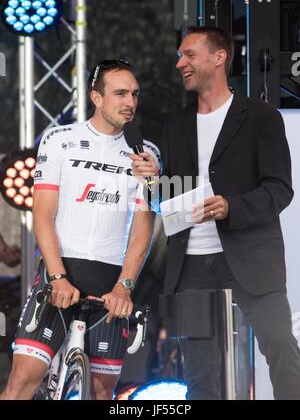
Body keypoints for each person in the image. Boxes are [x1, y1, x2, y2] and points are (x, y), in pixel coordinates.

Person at [131, 26, 300, 400]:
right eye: (179, 56)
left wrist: (230, 206)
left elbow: (280, 189)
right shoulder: (175, 125)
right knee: (200, 373)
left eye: (189, 54)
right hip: (190, 262)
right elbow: (171, 198)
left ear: (219, 56)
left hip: (252, 257)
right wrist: (153, 181)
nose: (180, 63)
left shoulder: (261, 117)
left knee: (282, 351)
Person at [0, 59, 160, 400]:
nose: (130, 102)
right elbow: (43, 213)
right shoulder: (60, 139)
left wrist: (125, 286)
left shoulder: (147, 155)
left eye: (134, 94)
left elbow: (143, 230)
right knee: (21, 382)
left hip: (111, 285)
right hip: (60, 275)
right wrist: (57, 277)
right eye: (120, 93)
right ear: (96, 97)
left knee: (103, 392)